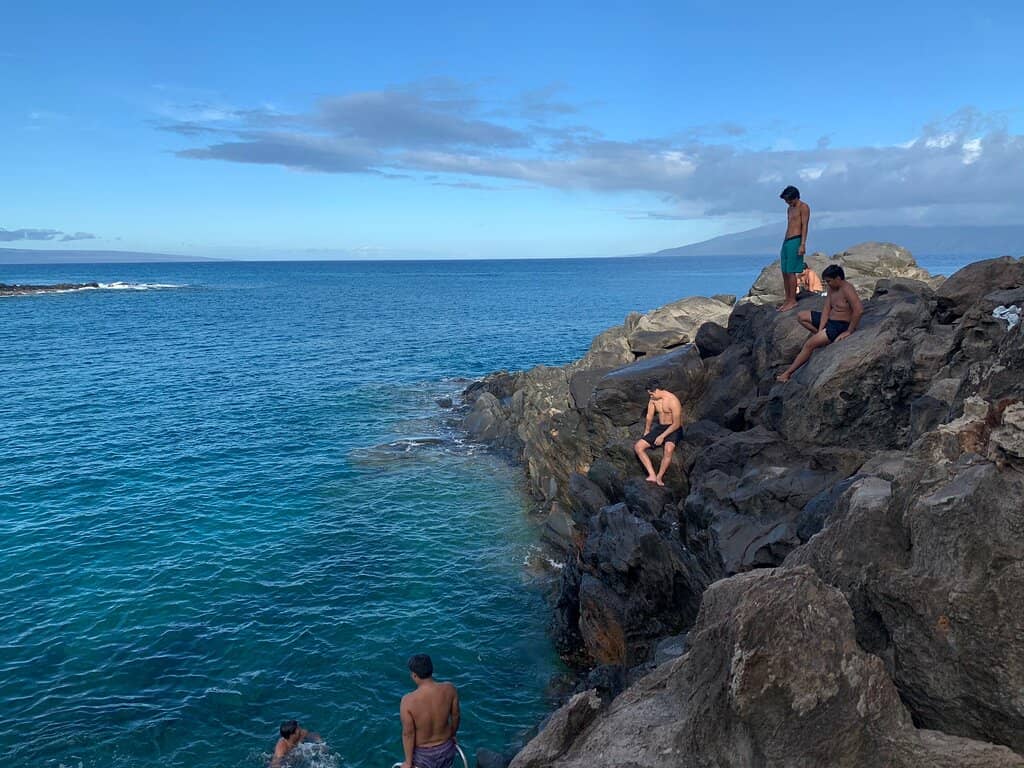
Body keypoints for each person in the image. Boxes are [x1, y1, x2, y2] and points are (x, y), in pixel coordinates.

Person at [776, 265, 863, 382]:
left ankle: (787, 374)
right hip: (830, 321)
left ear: (838, 278)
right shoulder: (832, 289)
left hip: (840, 325)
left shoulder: (847, 289)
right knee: (801, 316)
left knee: (809, 345)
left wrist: (849, 331)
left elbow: (859, 310)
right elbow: (826, 309)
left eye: (829, 281)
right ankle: (821, 337)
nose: (827, 284)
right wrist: (821, 328)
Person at [400, 654, 460, 768]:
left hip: (423, 757)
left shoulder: (408, 701)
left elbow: (408, 734)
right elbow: (456, 716)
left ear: (414, 675)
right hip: (447, 749)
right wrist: (453, 735)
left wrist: (408, 762)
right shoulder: (450, 689)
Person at [633, 378, 684, 487]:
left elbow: (677, 423)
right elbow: (649, 416)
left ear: (656, 390)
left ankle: (659, 476)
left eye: (651, 394)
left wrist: (662, 437)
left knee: (668, 449)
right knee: (638, 447)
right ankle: (651, 474)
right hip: (661, 427)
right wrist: (647, 430)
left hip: (673, 428)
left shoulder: (673, 400)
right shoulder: (653, 400)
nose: (650, 396)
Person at [778, 185, 811, 312]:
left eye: (789, 200)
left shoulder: (804, 207)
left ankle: (792, 300)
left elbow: (804, 226)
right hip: (787, 241)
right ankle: (787, 299)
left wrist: (802, 244)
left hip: (796, 239)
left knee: (791, 271)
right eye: (786, 200)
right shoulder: (789, 209)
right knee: (785, 271)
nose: (787, 202)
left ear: (795, 197)